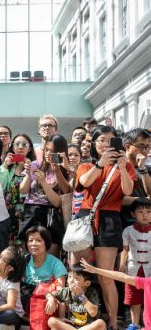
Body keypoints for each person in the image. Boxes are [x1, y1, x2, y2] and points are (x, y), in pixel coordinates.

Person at [74, 126, 136, 330]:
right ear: (94, 143)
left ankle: (112, 323)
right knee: (78, 271)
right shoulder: (86, 165)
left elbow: (127, 190)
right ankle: (79, 318)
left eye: (111, 140)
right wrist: (100, 164)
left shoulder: (125, 166)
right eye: (101, 140)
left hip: (110, 218)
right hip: (85, 217)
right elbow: (83, 182)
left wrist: (122, 166)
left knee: (106, 276)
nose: (106, 144)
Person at [19, 135, 69, 256]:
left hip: (50, 213)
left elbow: (57, 202)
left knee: (50, 256)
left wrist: (43, 181)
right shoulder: (37, 164)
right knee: (29, 255)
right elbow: (23, 190)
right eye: (46, 150)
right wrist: (29, 173)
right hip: (30, 211)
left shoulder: (63, 169)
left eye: (53, 151)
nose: (48, 154)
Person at [81, 259, 151, 330]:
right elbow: (122, 276)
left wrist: (96, 270)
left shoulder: (148, 282)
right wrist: (96, 270)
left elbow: (123, 276)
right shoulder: (148, 282)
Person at [119, 197, 151, 330]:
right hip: (134, 269)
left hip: (149, 269)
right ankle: (135, 324)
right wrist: (121, 266)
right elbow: (125, 250)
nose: (145, 215)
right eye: (140, 211)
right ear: (133, 214)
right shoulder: (127, 231)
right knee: (134, 299)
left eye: (148, 211)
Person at [0, 133, 36, 242]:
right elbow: (0, 186)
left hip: (27, 211)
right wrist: (5, 165)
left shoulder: (34, 165)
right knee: (9, 243)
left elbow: (34, 188)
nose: (20, 147)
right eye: (17, 144)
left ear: (29, 149)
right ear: (12, 147)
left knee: (25, 241)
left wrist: (30, 169)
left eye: (24, 144)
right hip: (8, 211)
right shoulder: (7, 167)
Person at [21, 226, 67, 314]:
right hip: (27, 304)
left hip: (48, 305)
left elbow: (61, 291)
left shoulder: (56, 264)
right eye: (30, 241)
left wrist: (62, 317)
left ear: (46, 243)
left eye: (38, 240)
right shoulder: (24, 261)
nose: (33, 244)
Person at [45, 264, 106, 330]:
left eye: (76, 278)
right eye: (70, 276)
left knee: (100, 323)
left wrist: (81, 295)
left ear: (87, 283)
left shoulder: (91, 292)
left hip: (88, 327)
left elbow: (93, 313)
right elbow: (48, 293)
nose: (71, 281)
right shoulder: (67, 291)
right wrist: (51, 299)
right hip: (71, 326)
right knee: (52, 321)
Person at [121, 128, 151, 228]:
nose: (145, 150)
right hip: (125, 222)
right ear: (128, 147)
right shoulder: (118, 168)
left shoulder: (147, 169)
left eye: (147, 147)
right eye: (141, 146)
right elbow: (118, 199)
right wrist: (144, 200)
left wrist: (142, 168)